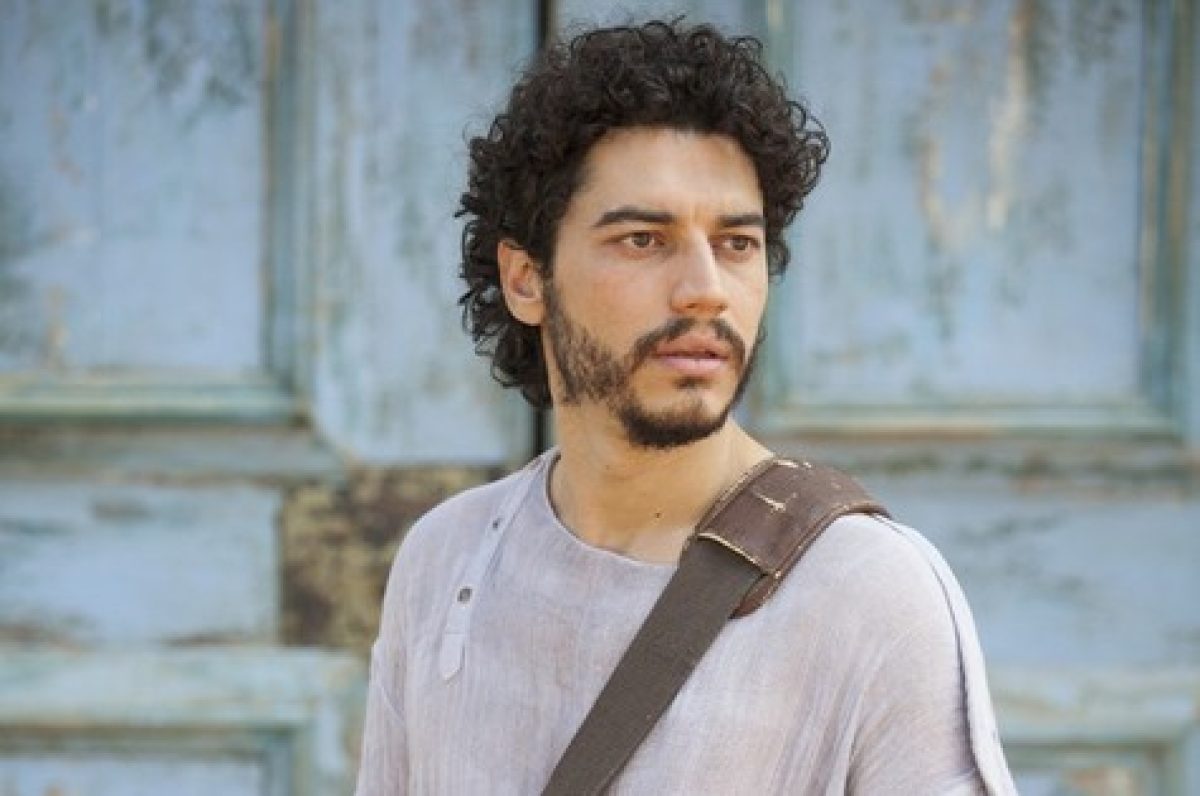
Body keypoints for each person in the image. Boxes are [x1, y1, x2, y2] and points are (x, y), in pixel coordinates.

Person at [355, 19, 1016, 795]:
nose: (705, 289)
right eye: (643, 239)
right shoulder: (447, 559)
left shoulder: (872, 593)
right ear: (527, 279)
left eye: (736, 244)